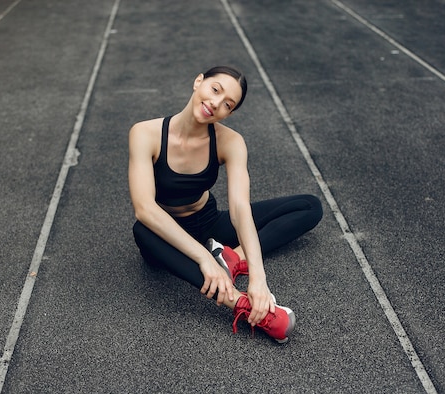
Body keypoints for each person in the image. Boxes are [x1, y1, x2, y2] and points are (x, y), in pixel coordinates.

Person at [128, 66, 322, 343]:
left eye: (227, 104)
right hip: (165, 233)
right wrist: (205, 259)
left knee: (309, 206)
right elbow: (145, 207)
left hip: (207, 221)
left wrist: (258, 278)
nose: (215, 103)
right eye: (215, 90)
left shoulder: (230, 142)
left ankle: (234, 259)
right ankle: (243, 306)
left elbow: (240, 209)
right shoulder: (145, 133)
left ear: (229, 113)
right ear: (199, 82)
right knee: (142, 230)